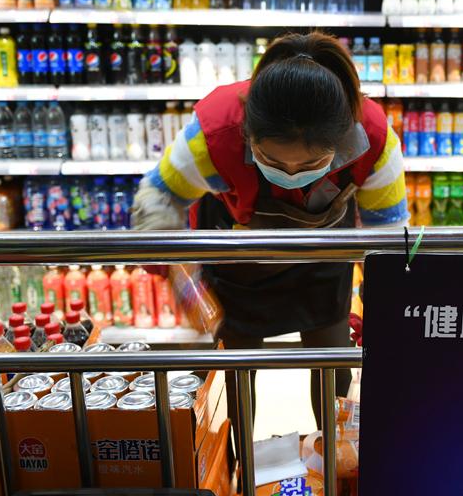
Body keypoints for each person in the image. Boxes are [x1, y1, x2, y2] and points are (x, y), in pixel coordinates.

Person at [132, 31, 408, 426]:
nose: (290, 175)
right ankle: (237, 461)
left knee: (333, 366)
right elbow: (159, 197)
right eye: (272, 161)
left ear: (342, 142)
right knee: (237, 373)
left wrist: (385, 304)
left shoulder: (373, 138)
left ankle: (335, 457)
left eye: (311, 165)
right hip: (240, 256)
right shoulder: (215, 133)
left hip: (323, 258)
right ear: (248, 134)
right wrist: (179, 272)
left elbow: (388, 241)